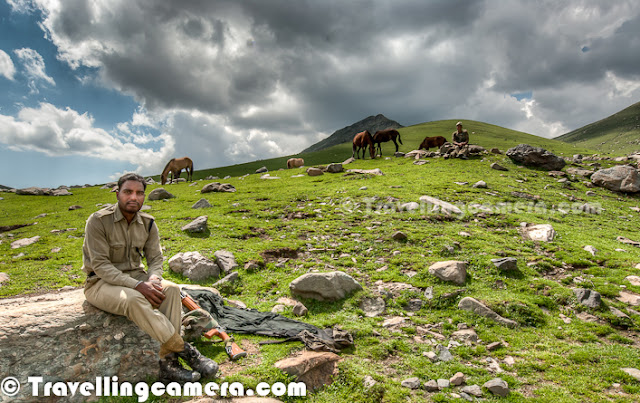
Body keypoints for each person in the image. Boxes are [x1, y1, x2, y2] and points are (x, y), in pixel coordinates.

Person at [81, 173, 218, 382]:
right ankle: (188, 353)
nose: (133, 197)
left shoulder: (148, 223)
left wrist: (153, 279)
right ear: (117, 194)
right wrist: (137, 285)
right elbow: (100, 266)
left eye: (139, 193)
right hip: (100, 283)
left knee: (171, 289)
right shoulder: (98, 221)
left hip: (137, 277)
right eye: (128, 192)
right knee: (133, 299)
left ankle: (168, 365)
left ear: (144, 197)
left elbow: (155, 258)